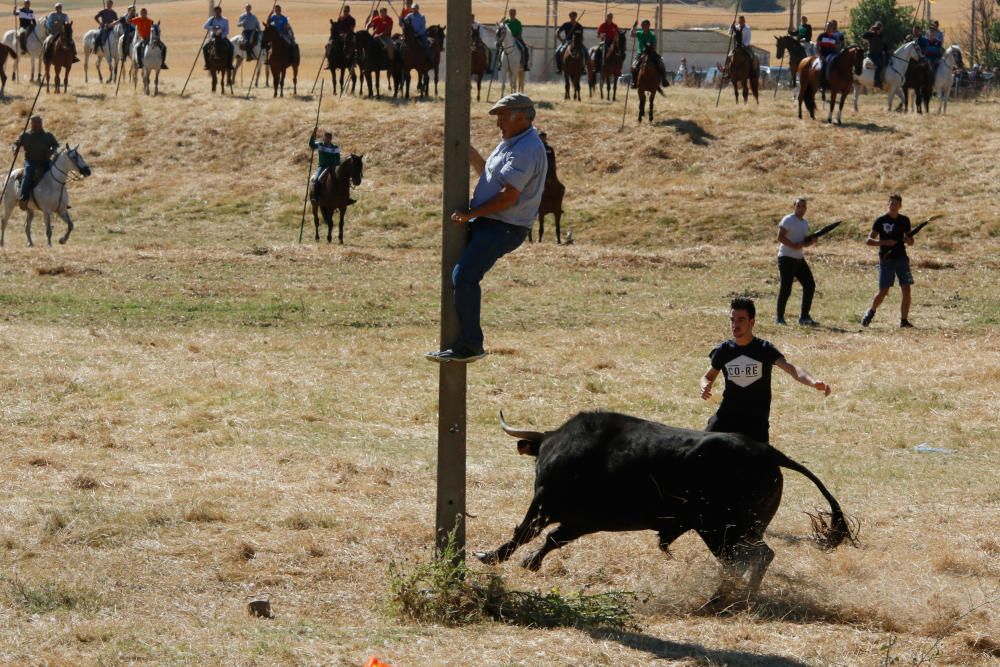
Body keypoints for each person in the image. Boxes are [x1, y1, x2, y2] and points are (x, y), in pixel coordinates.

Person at [427, 93, 547, 363]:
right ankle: (461, 342)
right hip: (490, 222)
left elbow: (509, 196)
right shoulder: (509, 143)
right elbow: (491, 177)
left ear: (521, 117)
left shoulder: (527, 149)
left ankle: (471, 345)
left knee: (465, 276)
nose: (498, 124)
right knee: (458, 275)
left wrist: (471, 214)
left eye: (502, 118)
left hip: (504, 227)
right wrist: (469, 154)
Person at [700, 297, 831, 444]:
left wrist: (813, 382)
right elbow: (708, 376)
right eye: (732, 320)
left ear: (752, 322)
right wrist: (705, 385)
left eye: (741, 320)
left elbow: (792, 369)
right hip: (727, 414)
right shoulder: (724, 350)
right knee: (703, 448)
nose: (735, 325)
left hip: (756, 419)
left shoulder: (764, 349)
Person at [861, 194, 916, 328]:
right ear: (888, 205)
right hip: (887, 260)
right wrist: (884, 242)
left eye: (896, 204)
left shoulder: (904, 220)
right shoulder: (880, 221)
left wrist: (908, 240)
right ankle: (871, 311)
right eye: (891, 203)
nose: (893, 206)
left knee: (906, 289)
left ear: (900, 206)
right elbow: (869, 240)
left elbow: (911, 242)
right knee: (884, 291)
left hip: (902, 258)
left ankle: (904, 320)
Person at [776, 198, 819, 326]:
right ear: (794, 207)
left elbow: (802, 243)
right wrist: (793, 246)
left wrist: (811, 242)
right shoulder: (788, 220)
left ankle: (804, 316)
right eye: (798, 206)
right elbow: (780, 237)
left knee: (810, 285)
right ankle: (779, 318)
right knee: (786, 289)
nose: (801, 209)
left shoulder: (805, 223)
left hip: (799, 259)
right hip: (786, 258)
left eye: (803, 207)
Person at [12, 115, 59, 211]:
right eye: (34, 123)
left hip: (45, 161)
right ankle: (24, 198)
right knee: (28, 174)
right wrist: (15, 148)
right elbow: (15, 143)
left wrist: (52, 150)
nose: (37, 125)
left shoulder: (48, 135)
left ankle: (60, 199)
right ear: (31, 124)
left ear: (41, 123)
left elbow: (56, 144)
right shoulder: (26, 135)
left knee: (57, 174)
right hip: (31, 161)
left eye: (38, 123)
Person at [630, 19, 668, 87]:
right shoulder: (639, 33)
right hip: (640, 53)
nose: (644, 27)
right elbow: (632, 34)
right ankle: (634, 82)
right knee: (633, 66)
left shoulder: (652, 35)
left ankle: (664, 80)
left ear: (648, 26)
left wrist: (648, 52)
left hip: (651, 53)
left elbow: (654, 46)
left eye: (646, 25)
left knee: (661, 63)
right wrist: (634, 26)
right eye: (643, 26)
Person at [308, 130, 341, 203]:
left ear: (331, 138)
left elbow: (338, 159)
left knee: (342, 180)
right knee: (317, 179)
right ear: (324, 138)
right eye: (326, 137)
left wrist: (333, 165)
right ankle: (315, 196)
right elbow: (311, 145)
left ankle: (344, 198)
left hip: (333, 168)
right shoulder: (320, 145)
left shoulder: (335, 148)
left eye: (329, 138)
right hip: (322, 167)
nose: (327, 139)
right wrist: (313, 135)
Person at [816, 20, 844, 87]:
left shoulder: (835, 38)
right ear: (825, 27)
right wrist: (820, 55)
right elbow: (817, 46)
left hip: (832, 55)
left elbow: (837, 48)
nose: (829, 28)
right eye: (828, 26)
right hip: (823, 55)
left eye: (831, 27)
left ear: (832, 28)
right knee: (823, 66)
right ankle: (822, 83)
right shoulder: (821, 36)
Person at [202, 4, 230, 69]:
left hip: (222, 37)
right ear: (214, 12)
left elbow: (227, 31)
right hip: (213, 38)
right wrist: (213, 28)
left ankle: (229, 64)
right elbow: (204, 26)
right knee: (205, 48)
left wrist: (221, 36)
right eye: (216, 11)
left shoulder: (225, 20)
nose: (217, 13)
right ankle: (207, 64)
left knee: (231, 47)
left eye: (218, 11)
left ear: (221, 11)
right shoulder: (211, 19)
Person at [862, 21, 887, 88]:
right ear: (876, 28)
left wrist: (888, 51)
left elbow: (884, 45)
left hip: (880, 54)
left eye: (881, 28)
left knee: (887, 63)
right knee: (879, 65)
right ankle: (877, 81)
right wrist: (871, 29)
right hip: (872, 55)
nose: (880, 30)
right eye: (879, 28)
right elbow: (864, 36)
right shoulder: (871, 34)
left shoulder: (881, 35)